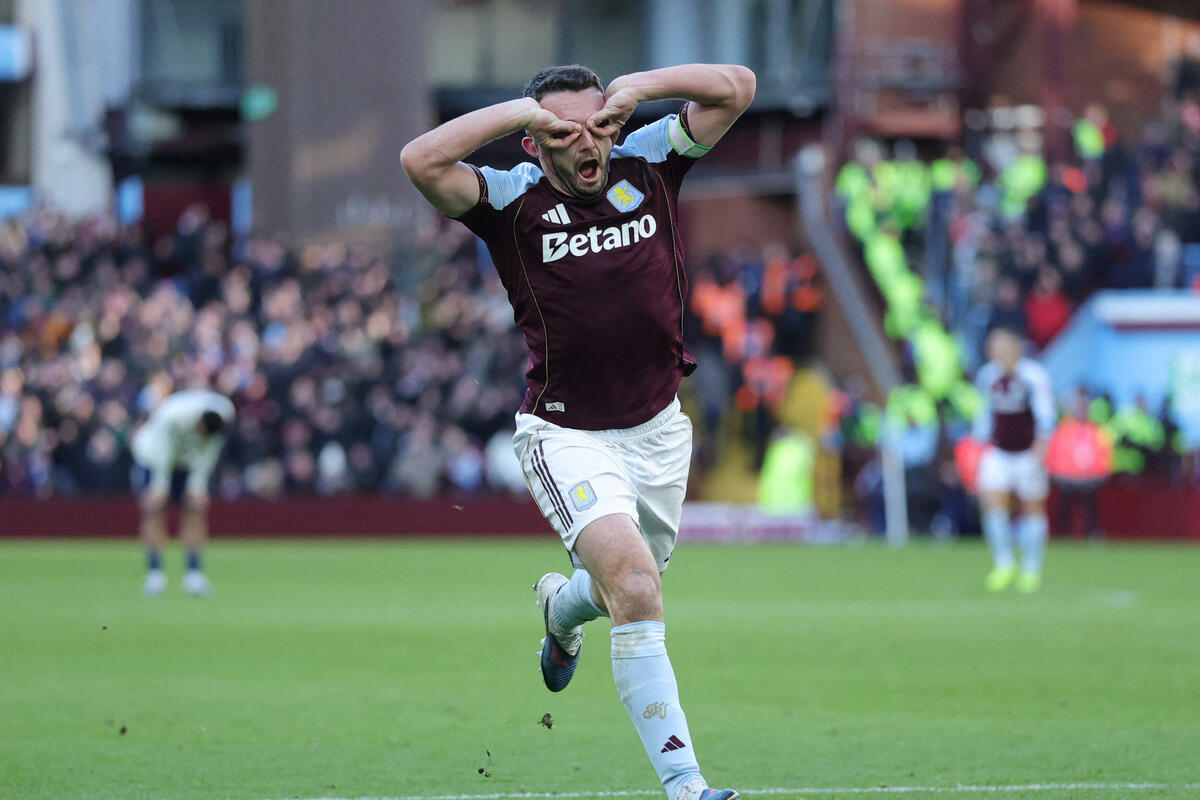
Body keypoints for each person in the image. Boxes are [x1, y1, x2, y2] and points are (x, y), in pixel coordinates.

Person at [401, 62, 755, 800]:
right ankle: (686, 784)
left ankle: (561, 610)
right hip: (566, 435)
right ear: (536, 144)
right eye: (564, 133)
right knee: (635, 586)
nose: (588, 143)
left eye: (599, 125)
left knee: (626, 585)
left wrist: (639, 89)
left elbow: (738, 87)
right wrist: (520, 113)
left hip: (660, 429)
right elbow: (420, 160)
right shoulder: (510, 197)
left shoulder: (649, 158)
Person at [972, 328, 1055, 592]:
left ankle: (1031, 568)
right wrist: (979, 445)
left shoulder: (1034, 376)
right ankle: (1004, 563)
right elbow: (984, 413)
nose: (993, 352)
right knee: (992, 503)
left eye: (997, 346)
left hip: (1027, 453)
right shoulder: (988, 376)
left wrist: (1040, 450)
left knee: (1032, 508)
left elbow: (1046, 416)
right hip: (998, 452)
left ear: (1014, 348)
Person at [130, 389, 235, 597]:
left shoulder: (225, 413)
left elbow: (210, 449)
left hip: (187, 461)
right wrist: (159, 487)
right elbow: (162, 451)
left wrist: (198, 486)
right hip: (152, 457)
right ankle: (155, 576)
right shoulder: (172, 416)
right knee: (154, 511)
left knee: (195, 510)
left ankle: (194, 576)